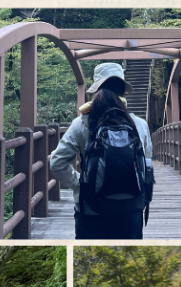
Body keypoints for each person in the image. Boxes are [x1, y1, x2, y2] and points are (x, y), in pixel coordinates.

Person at [50, 62, 153, 239]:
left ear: (96, 91)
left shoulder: (81, 124)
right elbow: (147, 163)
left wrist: (81, 183)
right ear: (122, 92)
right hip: (131, 210)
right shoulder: (139, 125)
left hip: (92, 208)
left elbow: (57, 163)